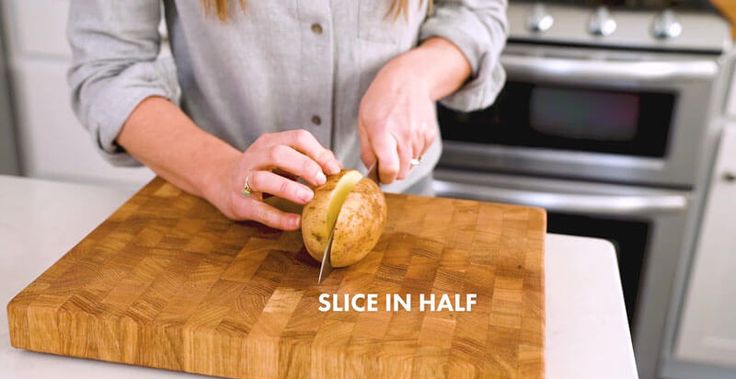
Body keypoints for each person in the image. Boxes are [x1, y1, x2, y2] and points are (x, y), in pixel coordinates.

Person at [68, 0, 507, 230]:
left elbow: (476, 11)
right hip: (218, 218)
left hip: (404, 204)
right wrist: (222, 173)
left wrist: (416, 74)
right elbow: (109, 69)